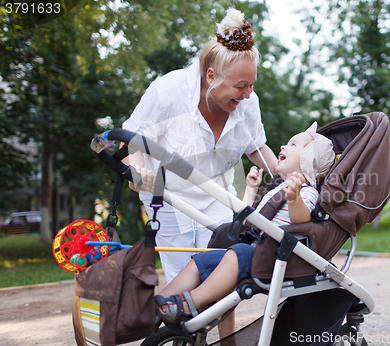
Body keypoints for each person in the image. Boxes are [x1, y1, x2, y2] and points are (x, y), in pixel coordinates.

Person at [122, 8, 277, 285]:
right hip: (168, 194)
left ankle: (224, 330)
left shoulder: (247, 102)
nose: (248, 94)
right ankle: (183, 325)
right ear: (211, 76)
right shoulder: (170, 92)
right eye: (241, 85)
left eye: (252, 85)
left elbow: (256, 148)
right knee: (183, 274)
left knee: (222, 269)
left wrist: (284, 176)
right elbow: (134, 138)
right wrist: (137, 170)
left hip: (217, 191)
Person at [154, 122, 336, 330]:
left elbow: (302, 222)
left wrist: (294, 199)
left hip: (276, 257)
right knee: (202, 259)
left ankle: (191, 303)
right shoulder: (277, 189)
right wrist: (251, 190)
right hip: (254, 250)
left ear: (308, 160)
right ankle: (159, 305)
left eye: (293, 145)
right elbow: (250, 217)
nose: (283, 147)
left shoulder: (306, 192)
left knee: (237, 252)